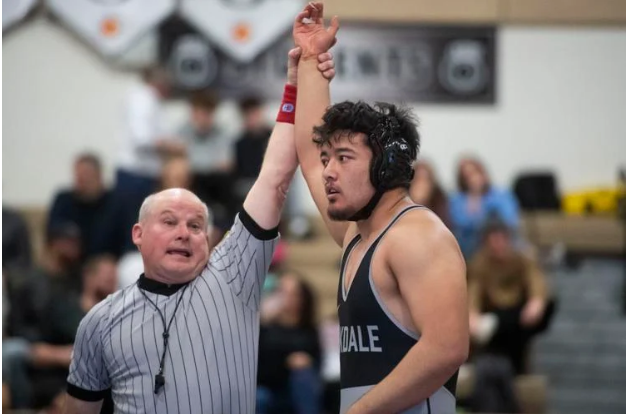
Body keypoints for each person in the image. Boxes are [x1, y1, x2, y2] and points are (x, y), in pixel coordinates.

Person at [63, 49, 336, 414]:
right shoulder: (99, 321)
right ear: (137, 234)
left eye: (196, 226)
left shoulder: (232, 277)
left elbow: (273, 179)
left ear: (207, 240)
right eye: (169, 221)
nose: (184, 233)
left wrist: (294, 87)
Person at [292, 4, 468, 413]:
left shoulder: (419, 236)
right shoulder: (359, 236)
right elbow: (307, 151)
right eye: (328, 160)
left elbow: (447, 347)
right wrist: (308, 58)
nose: (328, 172)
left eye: (344, 158)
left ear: (386, 166)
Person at [257, 270, 322, 414]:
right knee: (260, 396)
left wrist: (305, 362)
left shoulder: (308, 331)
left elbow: (318, 367)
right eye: (282, 292)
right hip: (268, 388)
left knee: (303, 375)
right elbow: (257, 371)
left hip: (297, 387)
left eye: (293, 294)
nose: (287, 298)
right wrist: (286, 362)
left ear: (302, 298)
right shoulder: (264, 328)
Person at [449, 157, 520, 259]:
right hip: (474, 245)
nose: (473, 179)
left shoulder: (501, 194)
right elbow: (462, 223)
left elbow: (510, 218)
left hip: (505, 239)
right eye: (467, 177)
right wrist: (474, 197)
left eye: (475, 173)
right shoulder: (458, 200)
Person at [48, 153, 113, 261]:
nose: (81, 180)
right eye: (78, 175)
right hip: (68, 260)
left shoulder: (116, 203)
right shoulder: (63, 199)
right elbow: (52, 231)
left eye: (86, 175)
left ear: (98, 176)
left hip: (103, 261)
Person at [409, 160, 451, 228]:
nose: (421, 185)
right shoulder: (400, 211)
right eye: (418, 180)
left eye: (425, 180)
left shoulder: (441, 208)